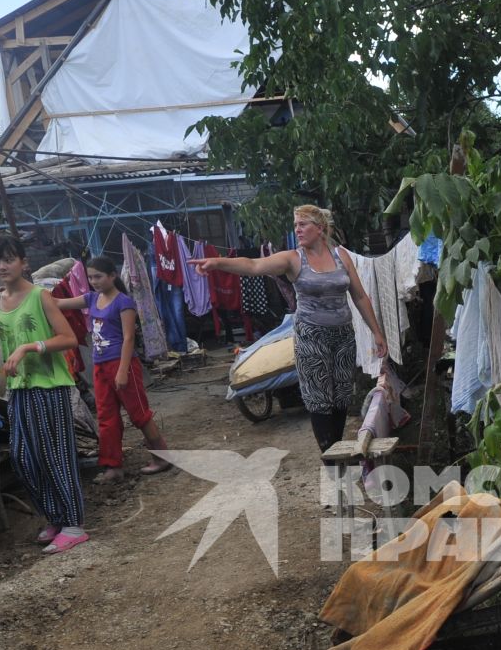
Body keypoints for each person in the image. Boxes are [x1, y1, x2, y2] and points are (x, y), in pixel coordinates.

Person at [190, 205, 388, 459]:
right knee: (319, 400)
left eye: (302, 224)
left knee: (340, 397)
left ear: (320, 228)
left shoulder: (341, 255)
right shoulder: (293, 259)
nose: (297, 230)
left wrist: (376, 333)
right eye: (295, 225)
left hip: (343, 337)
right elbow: (252, 265)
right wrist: (217, 262)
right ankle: (330, 458)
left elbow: (360, 296)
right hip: (311, 338)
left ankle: (338, 450)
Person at [0, 235, 90, 554]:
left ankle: (74, 524)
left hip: (50, 388)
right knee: (24, 458)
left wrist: (28, 347)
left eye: (9, 259)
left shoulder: (41, 297)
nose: (1, 266)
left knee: (57, 457)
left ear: (24, 262)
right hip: (19, 391)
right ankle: (55, 516)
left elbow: (69, 338)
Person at [53, 254, 174, 484]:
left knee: (138, 413)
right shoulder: (91, 299)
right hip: (100, 367)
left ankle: (162, 456)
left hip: (123, 364)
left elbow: (129, 339)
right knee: (107, 417)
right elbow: (57, 303)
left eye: (98, 276)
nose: (94, 281)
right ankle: (113, 466)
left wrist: (122, 370)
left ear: (112, 276)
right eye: (90, 277)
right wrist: (23, 291)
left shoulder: (123, 302)